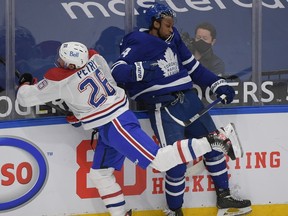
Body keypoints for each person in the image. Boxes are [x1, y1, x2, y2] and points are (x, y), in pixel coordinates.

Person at [16, 41, 243, 216]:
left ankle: (215, 140)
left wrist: (25, 82)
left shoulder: (59, 78)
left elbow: (26, 98)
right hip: (110, 121)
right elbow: (109, 85)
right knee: (100, 174)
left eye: (61, 60)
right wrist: (84, 113)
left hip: (116, 124)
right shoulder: (95, 57)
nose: (58, 62)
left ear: (67, 63)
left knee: (159, 160)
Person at [111, 3, 251, 216]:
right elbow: (117, 70)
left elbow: (193, 68)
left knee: (215, 148)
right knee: (175, 164)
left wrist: (216, 83)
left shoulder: (173, 36)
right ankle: (174, 210)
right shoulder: (137, 41)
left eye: (172, 24)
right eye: (167, 24)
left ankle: (225, 198)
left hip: (191, 101)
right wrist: (140, 71)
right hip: (163, 107)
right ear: (154, 23)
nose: (171, 28)